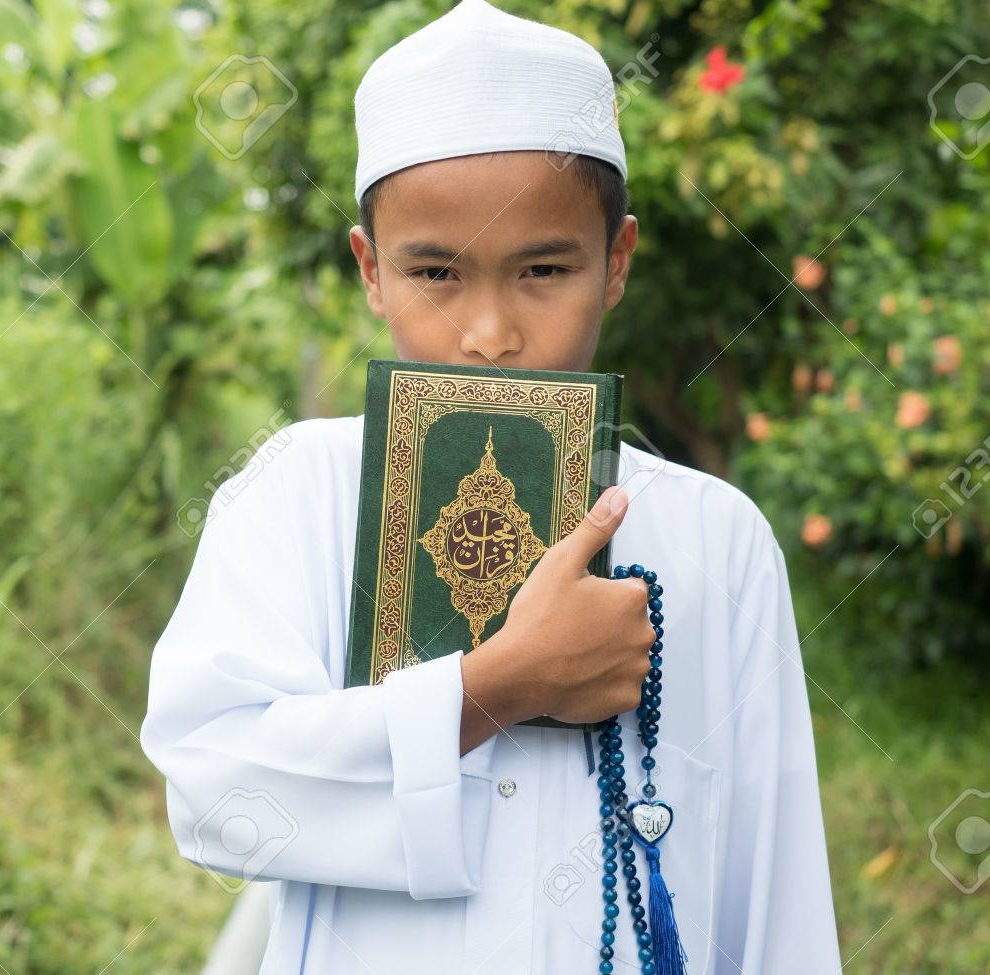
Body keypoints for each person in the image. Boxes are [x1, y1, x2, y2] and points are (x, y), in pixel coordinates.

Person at [140, 1, 842, 972]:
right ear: (370, 270)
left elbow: (775, 905)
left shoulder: (715, 538)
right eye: (435, 273)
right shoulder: (296, 493)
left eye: (543, 269)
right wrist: (494, 690)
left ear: (617, 263)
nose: (489, 334)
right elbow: (216, 796)